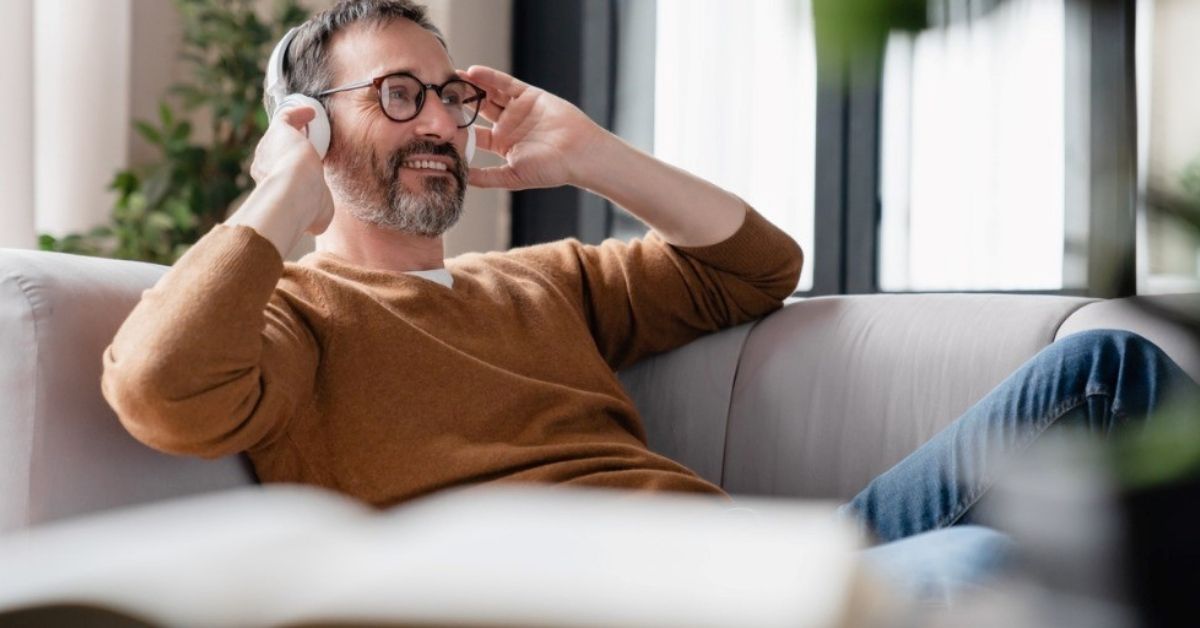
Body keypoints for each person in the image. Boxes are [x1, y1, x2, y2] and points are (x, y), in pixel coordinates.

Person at [101, 0, 1198, 601]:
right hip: (647, 601)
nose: (438, 120)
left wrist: (586, 151)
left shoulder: (540, 281)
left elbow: (758, 266)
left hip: (782, 557)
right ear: (312, 122)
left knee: (1114, 365)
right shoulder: (295, 318)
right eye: (397, 95)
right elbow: (159, 388)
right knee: (979, 571)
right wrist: (280, 187)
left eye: (448, 92)